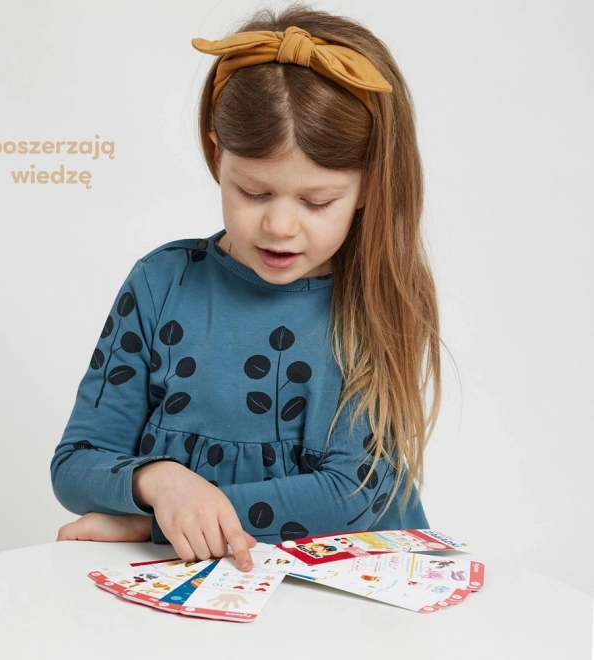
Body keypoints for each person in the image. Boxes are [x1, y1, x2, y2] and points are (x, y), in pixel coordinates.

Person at [52, 5, 441, 573]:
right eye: (254, 193)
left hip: (348, 586)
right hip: (206, 586)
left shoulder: (374, 302)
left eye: (317, 202)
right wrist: (159, 482)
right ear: (217, 155)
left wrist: (156, 524)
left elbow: (355, 493)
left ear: (367, 186)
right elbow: (78, 462)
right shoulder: (162, 284)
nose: (280, 226)